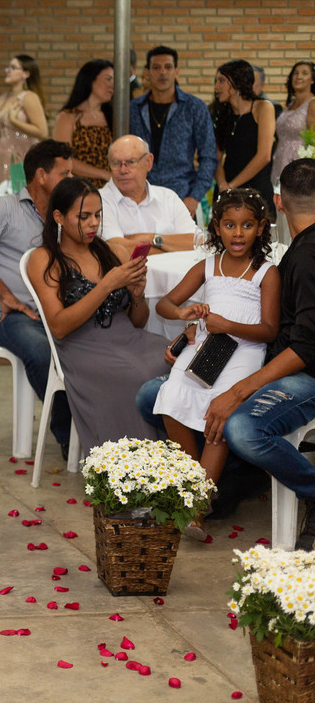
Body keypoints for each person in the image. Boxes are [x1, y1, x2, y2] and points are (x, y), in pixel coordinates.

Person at [200, 158, 315, 548]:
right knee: (157, 394)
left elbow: (305, 347)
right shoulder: (299, 251)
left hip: (307, 373)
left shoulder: (306, 258)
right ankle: (238, 480)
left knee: (242, 429)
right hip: (284, 360)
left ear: (278, 203)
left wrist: (240, 390)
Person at [151, 188, 279, 539]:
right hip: (207, 345)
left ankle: (194, 510)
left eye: (247, 225)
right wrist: (184, 314)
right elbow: (164, 304)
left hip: (245, 350)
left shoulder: (266, 273)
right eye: (229, 225)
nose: (238, 233)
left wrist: (229, 326)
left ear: (260, 228)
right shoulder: (206, 266)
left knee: (217, 412)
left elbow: (269, 330)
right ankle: (197, 487)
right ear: (217, 227)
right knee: (171, 397)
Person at [26, 176, 169, 456]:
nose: (93, 223)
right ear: (59, 217)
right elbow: (59, 326)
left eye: (98, 215)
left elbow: (138, 321)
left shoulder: (113, 251)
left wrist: (136, 295)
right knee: (139, 375)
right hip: (82, 347)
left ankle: (178, 459)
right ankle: (137, 463)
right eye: (84, 217)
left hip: (128, 338)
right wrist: (107, 285)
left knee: (177, 359)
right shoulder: (44, 259)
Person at [0, 140, 76, 455]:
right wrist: (5, 294)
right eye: (64, 173)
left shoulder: (64, 216)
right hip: (10, 318)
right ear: (41, 176)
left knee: (96, 347)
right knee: (42, 352)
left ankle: (90, 428)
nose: (71, 179)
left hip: (55, 314)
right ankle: (71, 435)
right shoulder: (6, 208)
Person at [129, 46, 218, 217]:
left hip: (182, 197)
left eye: (168, 67)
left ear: (176, 71)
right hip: (139, 198)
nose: (163, 72)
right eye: (156, 67)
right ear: (147, 73)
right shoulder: (134, 108)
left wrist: (194, 197)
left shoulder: (194, 107)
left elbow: (208, 156)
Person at [100, 134, 201, 254]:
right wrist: (173, 247)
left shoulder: (168, 197)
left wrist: (151, 238)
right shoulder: (99, 200)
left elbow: (197, 242)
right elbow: (119, 250)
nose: (123, 170)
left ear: (148, 162)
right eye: (116, 163)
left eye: (131, 162)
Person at [213, 59, 277, 218]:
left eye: (221, 81)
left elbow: (264, 156)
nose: (216, 87)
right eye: (216, 81)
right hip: (226, 191)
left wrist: (232, 186)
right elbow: (216, 157)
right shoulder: (222, 114)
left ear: (237, 82)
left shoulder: (263, 107)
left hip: (255, 189)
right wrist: (222, 185)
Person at [0, 53, 49, 185]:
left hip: (21, 156)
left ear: (26, 73)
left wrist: (15, 121)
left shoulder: (28, 98)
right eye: (8, 67)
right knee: (0, 192)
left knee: (18, 191)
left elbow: (43, 132)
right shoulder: (4, 98)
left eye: (13, 67)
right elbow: (1, 133)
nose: (8, 71)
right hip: (2, 155)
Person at [53, 59, 115, 184]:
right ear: (91, 80)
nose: (112, 86)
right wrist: (103, 174)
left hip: (111, 187)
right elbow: (63, 159)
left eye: (114, 80)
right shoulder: (68, 117)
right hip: (79, 187)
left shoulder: (113, 117)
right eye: (108, 79)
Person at [272, 61, 315, 185]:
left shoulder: (312, 104)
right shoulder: (290, 105)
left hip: (298, 165)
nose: (298, 77)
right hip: (279, 160)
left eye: (304, 73)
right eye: (295, 73)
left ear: (312, 80)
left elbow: (313, 140)